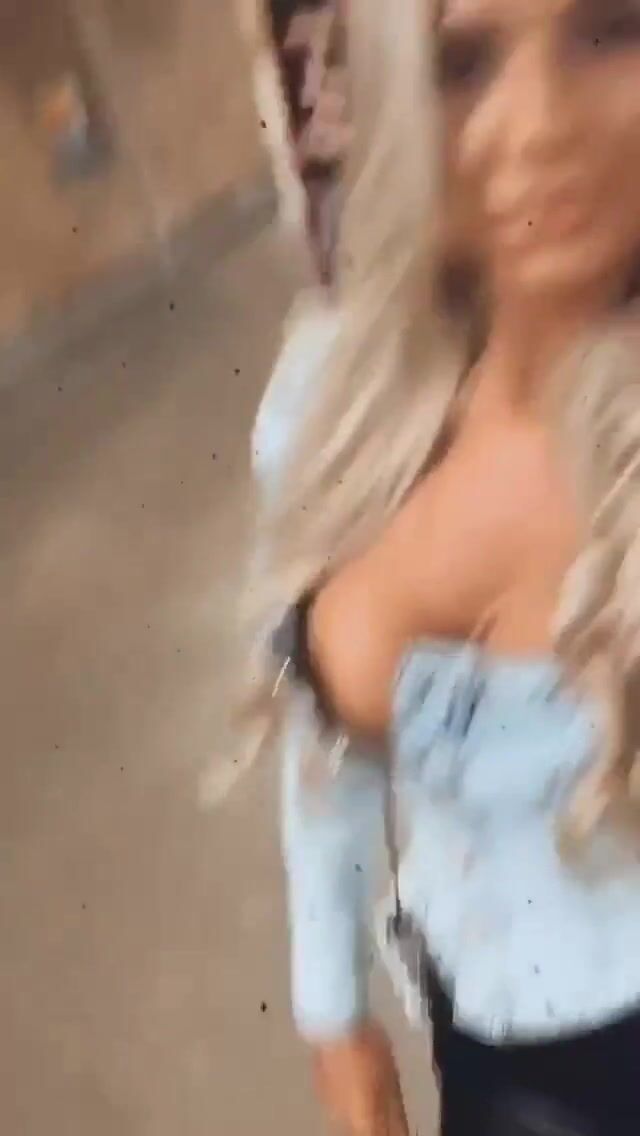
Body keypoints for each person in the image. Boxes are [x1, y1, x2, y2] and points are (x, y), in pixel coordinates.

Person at [245, 1, 640, 1133]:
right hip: (478, 1037)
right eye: (462, 61)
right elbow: (319, 734)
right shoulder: (328, 405)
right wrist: (331, 1004)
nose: (539, 122)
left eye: (608, 31)